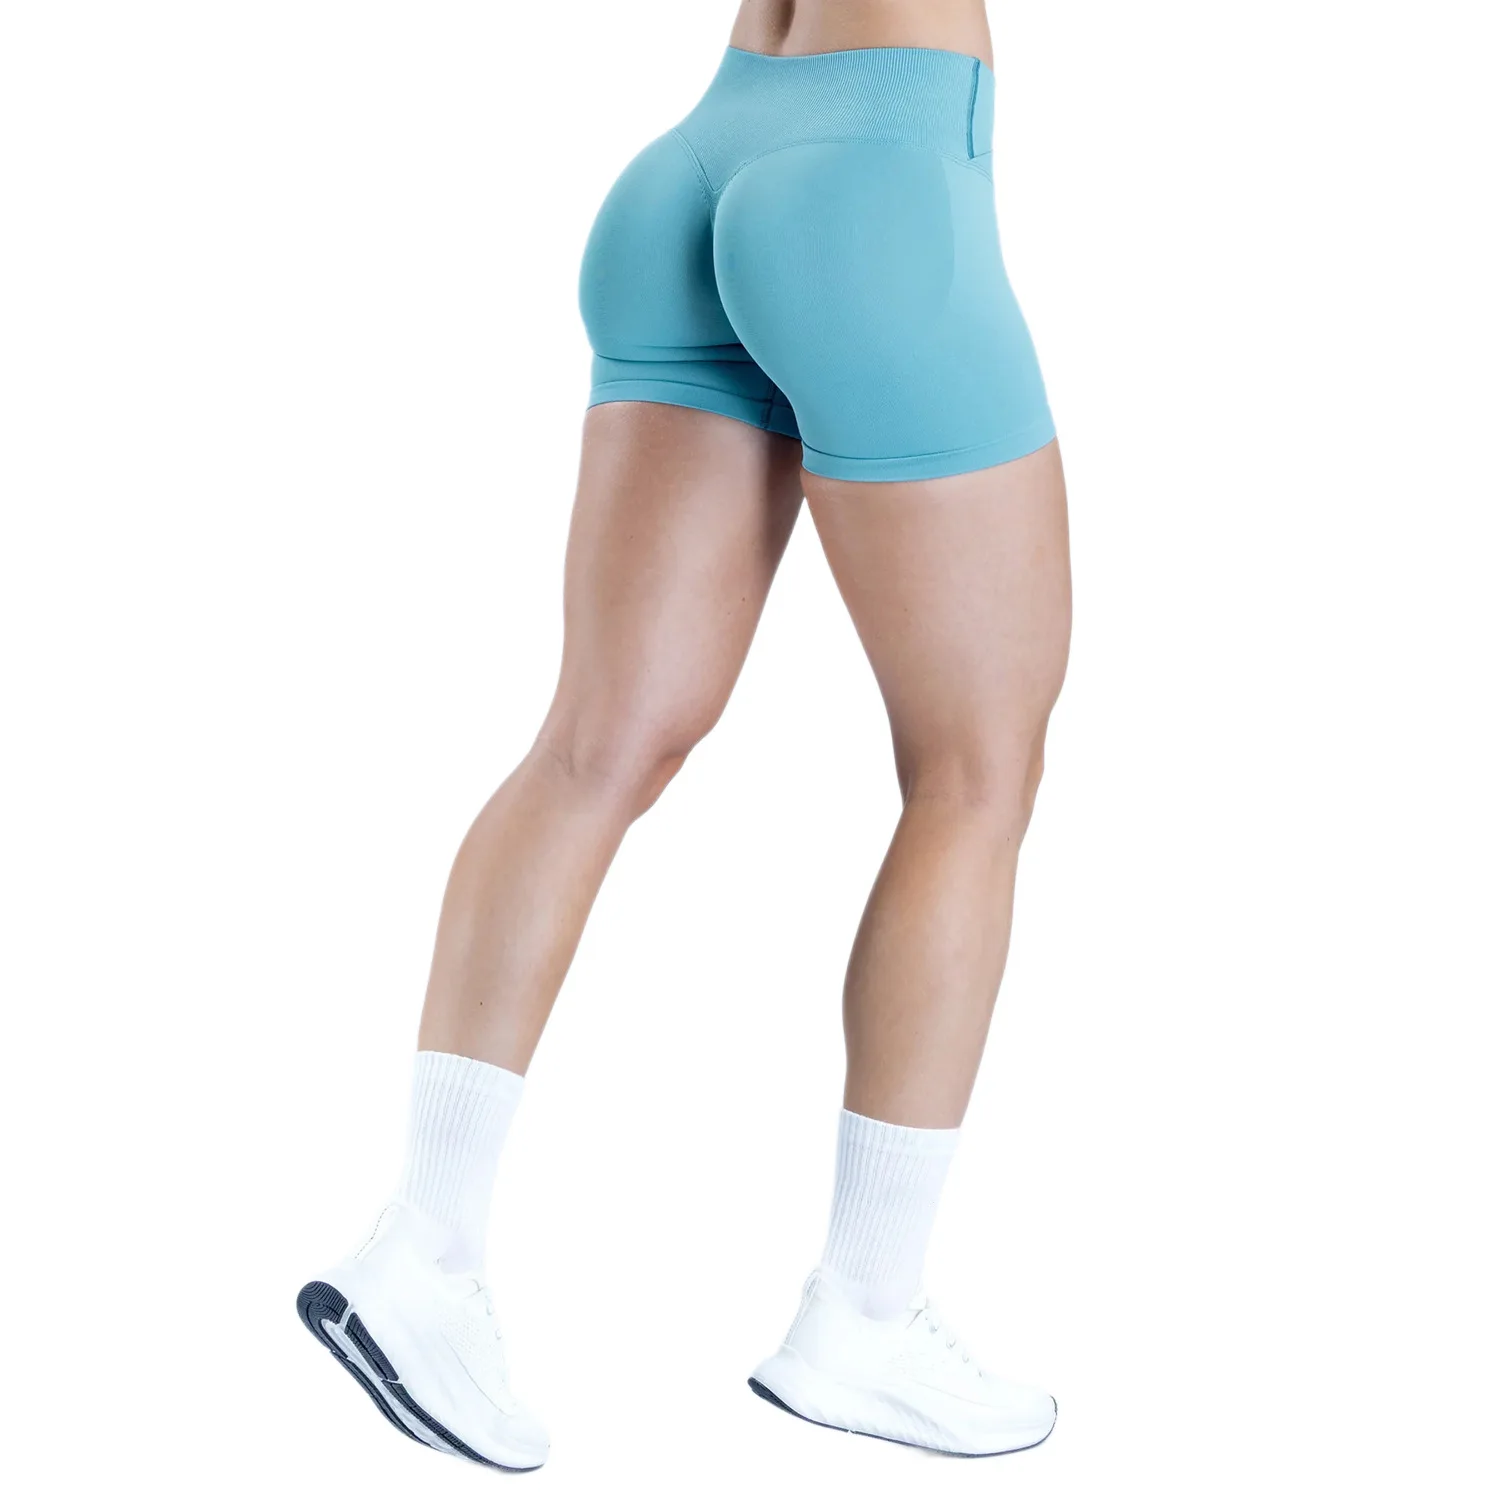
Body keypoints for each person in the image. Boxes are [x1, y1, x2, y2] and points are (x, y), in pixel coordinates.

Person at [297, 0, 1069, 1468]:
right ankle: (865, 1314)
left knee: (595, 742)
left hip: (704, 156)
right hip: (880, 183)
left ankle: (422, 1252)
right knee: (976, 770)